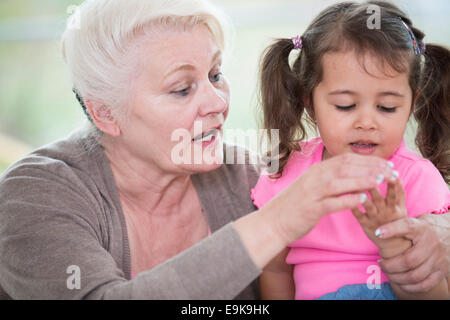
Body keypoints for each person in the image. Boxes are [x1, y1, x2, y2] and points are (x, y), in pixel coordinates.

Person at [0, 0, 397, 299]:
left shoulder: (246, 177)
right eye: (181, 89)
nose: (217, 103)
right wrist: (276, 223)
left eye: (215, 75)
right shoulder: (34, 193)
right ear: (105, 114)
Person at [253, 1, 450, 300]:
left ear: (412, 103)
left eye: (387, 107)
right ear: (309, 100)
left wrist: (395, 241)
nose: (366, 122)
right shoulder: (285, 173)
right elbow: (275, 270)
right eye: (345, 105)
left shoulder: (416, 180)